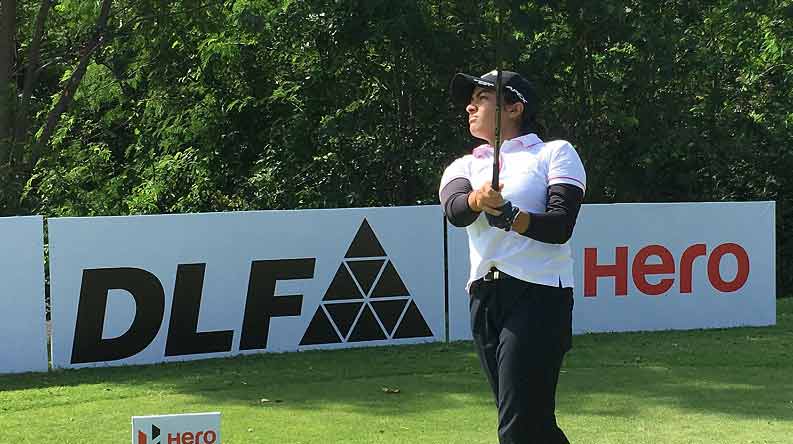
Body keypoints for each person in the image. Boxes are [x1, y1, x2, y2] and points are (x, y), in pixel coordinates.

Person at [438, 69, 586, 444]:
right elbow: (456, 211)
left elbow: (559, 225)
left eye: (483, 98)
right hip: (485, 299)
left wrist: (509, 217)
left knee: (518, 425)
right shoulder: (465, 166)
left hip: (539, 296)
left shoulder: (555, 153)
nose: (470, 106)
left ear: (515, 107)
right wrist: (477, 199)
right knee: (532, 423)